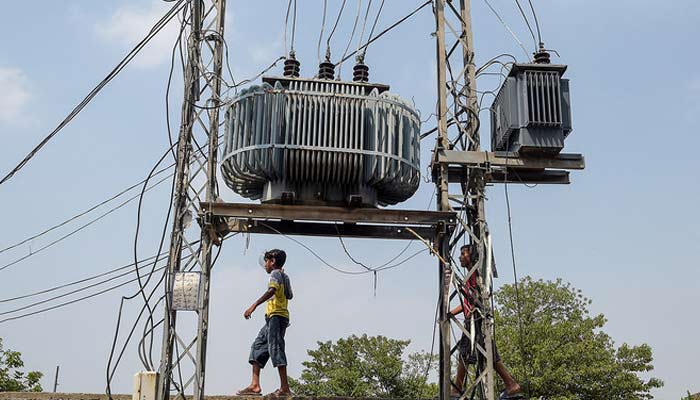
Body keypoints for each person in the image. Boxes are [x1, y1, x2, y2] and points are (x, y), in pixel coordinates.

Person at [449, 244, 522, 400]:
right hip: (476, 319)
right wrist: (451, 312)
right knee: (490, 355)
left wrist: (462, 287)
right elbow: (468, 302)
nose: (460, 257)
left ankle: (457, 388)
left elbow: (475, 299)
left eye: (463, 254)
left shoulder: (475, 274)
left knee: (465, 353)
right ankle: (510, 383)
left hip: (476, 319)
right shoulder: (471, 275)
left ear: (471, 256)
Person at [236, 249, 294, 397]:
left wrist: (253, 305)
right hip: (273, 318)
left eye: (267, 262)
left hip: (277, 317)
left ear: (272, 261)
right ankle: (255, 385)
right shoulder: (283, 275)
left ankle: (285, 388)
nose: (265, 265)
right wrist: (283, 277)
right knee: (258, 346)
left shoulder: (275, 274)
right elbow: (290, 295)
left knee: (276, 348)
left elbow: (272, 290)